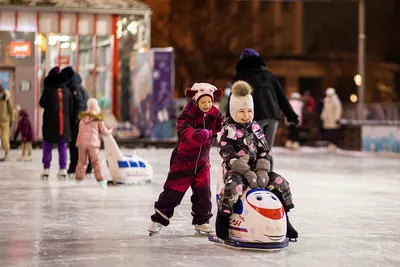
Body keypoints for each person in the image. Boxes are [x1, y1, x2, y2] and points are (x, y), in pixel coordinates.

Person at [216, 80, 298, 241]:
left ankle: (285, 220)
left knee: (281, 183)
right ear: (233, 111)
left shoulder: (255, 128)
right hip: (236, 171)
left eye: (249, 111)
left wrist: (262, 170)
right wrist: (245, 172)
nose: (246, 116)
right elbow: (227, 153)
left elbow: (264, 150)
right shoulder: (228, 130)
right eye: (241, 111)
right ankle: (223, 218)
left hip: (257, 170)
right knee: (233, 187)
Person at [149, 83, 224, 235]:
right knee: (173, 192)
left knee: (203, 194)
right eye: (203, 102)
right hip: (183, 161)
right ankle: (159, 219)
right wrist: (198, 134)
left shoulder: (215, 114)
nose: (207, 105)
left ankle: (202, 221)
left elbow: (223, 126)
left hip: (202, 162)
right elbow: (185, 132)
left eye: (209, 101)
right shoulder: (187, 114)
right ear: (196, 100)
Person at [229, 48, 299, 149]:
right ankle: (266, 164)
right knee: (267, 150)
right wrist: (291, 115)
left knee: (254, 149)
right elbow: (281, 97)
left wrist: (229, 117)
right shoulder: (269, 75)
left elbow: (234, 99)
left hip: (255, 117)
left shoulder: (241, 76)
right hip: (273, 116)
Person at [39, 67, 73, 179]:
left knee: (47, 146)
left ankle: (46, 169)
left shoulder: (48, 90)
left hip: (49, 123)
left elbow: (42, 103)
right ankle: (62, 169)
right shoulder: (67, 91)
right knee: (62, 146)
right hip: (64, 124)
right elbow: (71, 108)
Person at [60, 67, 92, 177]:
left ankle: (75, 167)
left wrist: (76, 122)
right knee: (81, 146)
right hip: (82, 121)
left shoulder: (75, 89)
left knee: (76, 145)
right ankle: (84, 167)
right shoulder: (77, 86)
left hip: (79, 122)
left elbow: (79, 106)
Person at [75, 98, 113, 188]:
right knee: (96, 162)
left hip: (82, 143)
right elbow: (104, 131)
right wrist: (110, 130)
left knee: (81, 161)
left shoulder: (82, 118)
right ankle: (101, 181)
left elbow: (80, 131)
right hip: (93, 143)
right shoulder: (97, 119)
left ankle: (79, 179)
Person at [0, 83, 13, 161]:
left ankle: (7, 154)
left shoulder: (6, 98)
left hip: (5, 121)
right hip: (5, 120)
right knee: (4, 138)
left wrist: (11, 120)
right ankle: (6, 154)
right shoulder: (6, 97)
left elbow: (10, 109)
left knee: (5, 138)